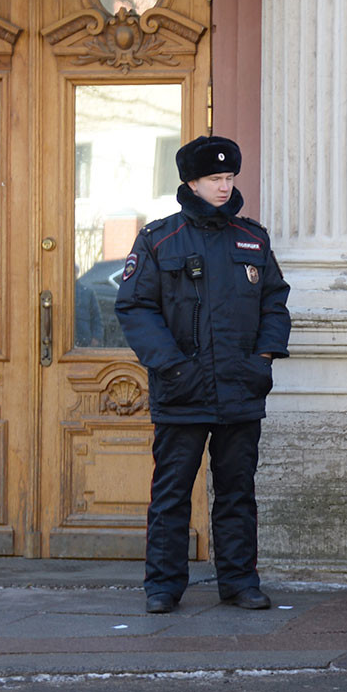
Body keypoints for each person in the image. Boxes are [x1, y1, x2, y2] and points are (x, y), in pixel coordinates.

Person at [114, 135, 291, 614]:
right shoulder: (160, 238)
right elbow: (134, 307)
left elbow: (275, 301)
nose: (223, 186)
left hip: (240, 388)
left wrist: (264, 360)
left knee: (237, 491)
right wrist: (169, 364)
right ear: (191, 182)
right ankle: (163, 587)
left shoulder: (252, 237)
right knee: (171, 494)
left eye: (229, 177)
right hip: (182, 390)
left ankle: (239, 582)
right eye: (215, 178)